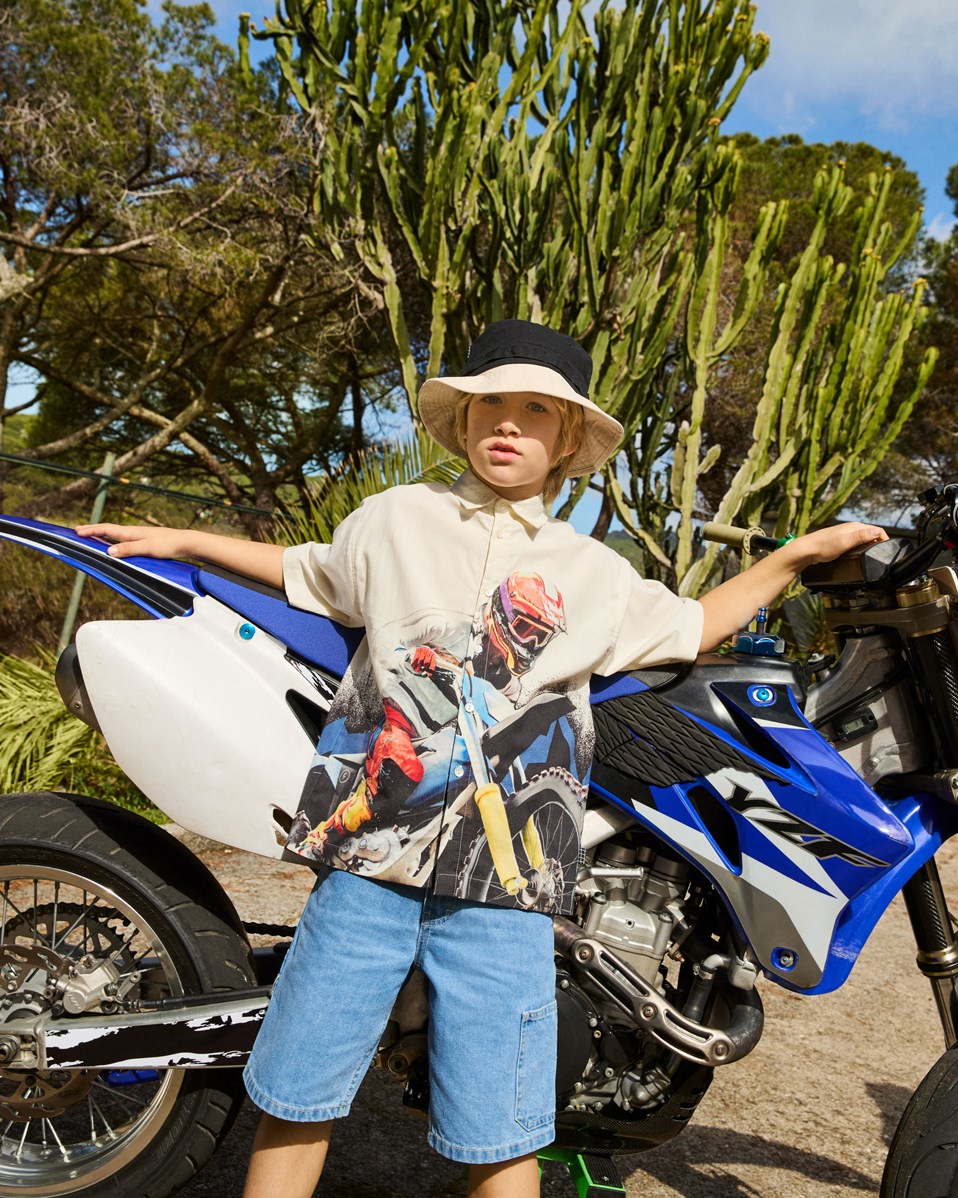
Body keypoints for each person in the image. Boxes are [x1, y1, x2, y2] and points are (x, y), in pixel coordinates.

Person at [77, 319, 887, 1198]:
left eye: (535, 409)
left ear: (568, 439)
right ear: (461, 424)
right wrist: (188, 542)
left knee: (501, 1126)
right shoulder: (392, 521)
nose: (507, 423)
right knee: (298, 1095)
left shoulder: (595, 574)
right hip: (368, 863)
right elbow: (306, 571)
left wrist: (799, 556)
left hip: (508, 888)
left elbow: (695, 625)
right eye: (488, 404)